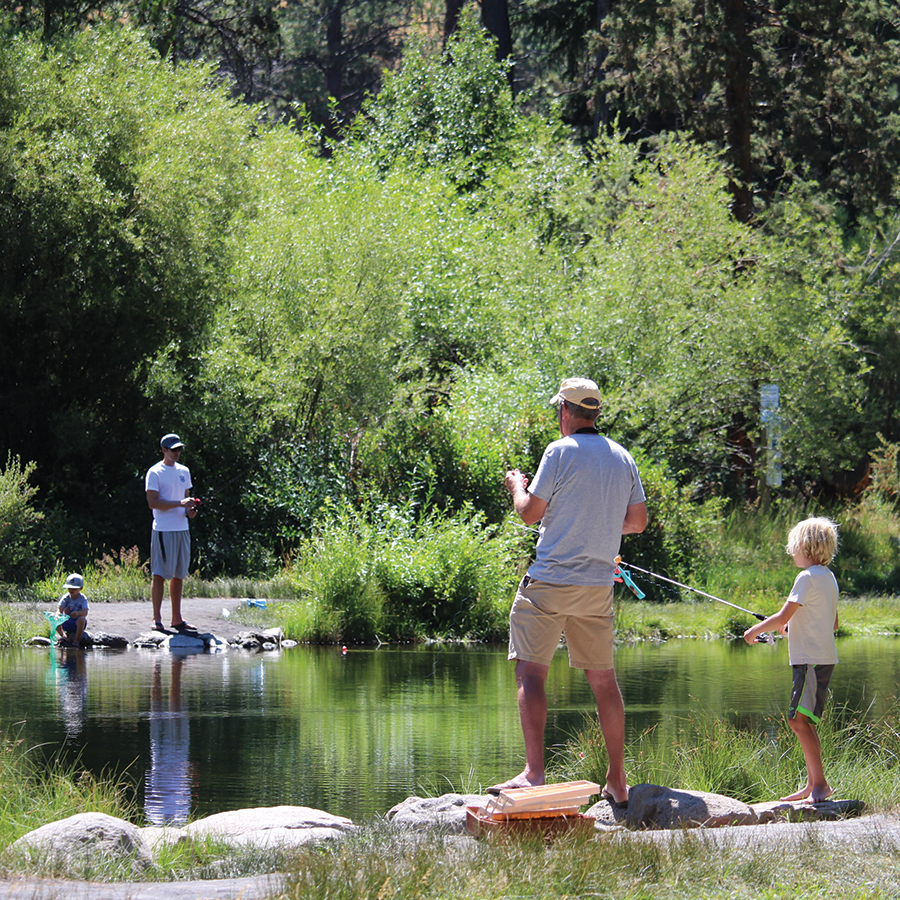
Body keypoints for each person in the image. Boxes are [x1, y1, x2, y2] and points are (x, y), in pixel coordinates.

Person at [488, 377, 648, 806]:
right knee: (604, 681)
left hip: (550, 582)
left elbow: (529, 513)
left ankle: (534, 774)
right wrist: (595, 523)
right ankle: (617, 780)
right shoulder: (622, 456)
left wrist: (516, 485)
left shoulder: (558, 451)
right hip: (597, 585)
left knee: (531, 671)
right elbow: (637, 522)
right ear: (595, 413)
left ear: (564, 409)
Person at [743, 516, 840, 802]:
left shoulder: (806, 577)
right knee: (804, 721)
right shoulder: (828, 578)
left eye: (794, 547)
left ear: (806, 547)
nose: (791, 552)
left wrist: (754, 631)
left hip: (809, 661)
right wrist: (792, 628)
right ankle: (813, 785)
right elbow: (831, 623)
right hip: (821, 659)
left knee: (797, 720)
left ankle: (821, 785)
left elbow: (783, 616)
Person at [145, 433, 200, 633]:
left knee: (179, 575)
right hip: (163, 530)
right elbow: (153, 503)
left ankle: (177, 618)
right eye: (173, 450)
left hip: (182, 529)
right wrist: (179, 503)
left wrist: (190, 511)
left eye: (179, 449)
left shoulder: (184, 471)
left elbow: (186, 503)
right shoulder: (155, 472)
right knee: (159, 574)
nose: (177, 453)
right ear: (164, 451)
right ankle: (156, 618)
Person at [56, 572, 89, 645]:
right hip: (67, 621)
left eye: (74, 588)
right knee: (55, 618)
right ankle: (64, 636)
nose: (71, 590)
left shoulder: (82, 598)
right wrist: (58, 615)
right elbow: (60, 609)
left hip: (77, 622)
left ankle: (76, 640)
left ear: (81, 588)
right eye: (69, 588)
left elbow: (85, 612)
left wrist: (77, 613)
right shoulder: (66, 598)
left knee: (82, 618)